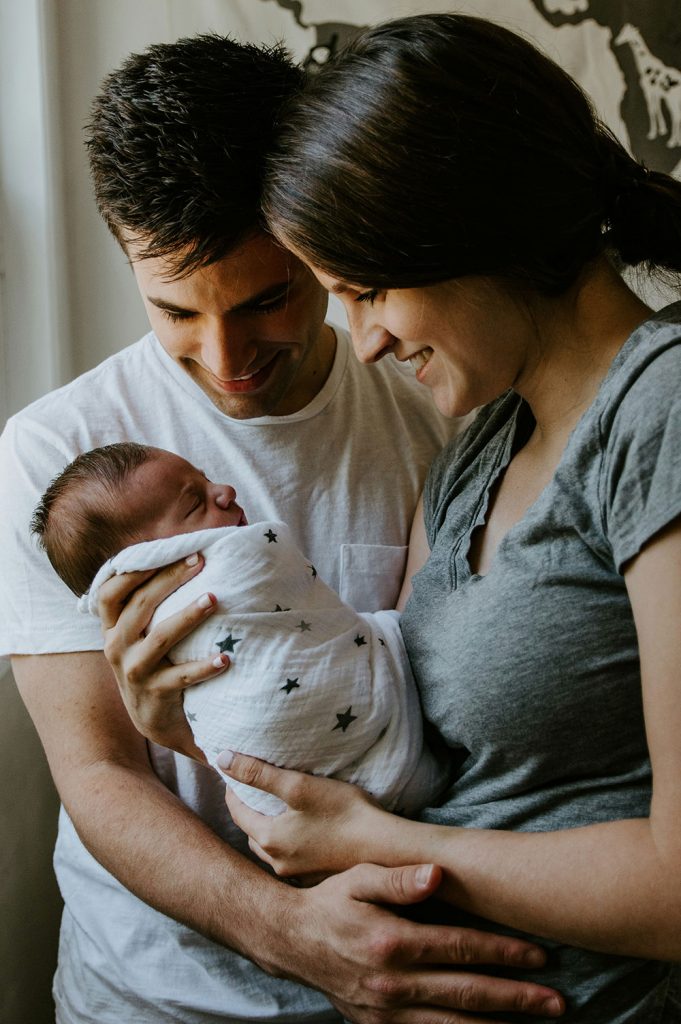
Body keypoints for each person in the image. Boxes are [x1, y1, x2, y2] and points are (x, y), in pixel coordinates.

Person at [0, 31, 567, 1024]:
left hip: (399, 971)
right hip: (147, 996)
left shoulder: (440, 406)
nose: (226, 359)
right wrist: (294, 935)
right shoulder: (58, 460)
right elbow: (95, 772)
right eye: (177, 310)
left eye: (268, 299)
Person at [201, 12, 681, 1023]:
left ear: (471, 226)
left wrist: (386, 849)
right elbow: (418, 749)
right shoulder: (477, 444)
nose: (365, 344)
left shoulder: (661, 412)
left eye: (369, 290)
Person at [34, 441, 446, 816]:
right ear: (150, 560)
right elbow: (97, 773)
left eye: (206, 478)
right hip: (264, 838)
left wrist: (177, 734)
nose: (225, 490)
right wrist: (165, 728)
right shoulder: (41, 442)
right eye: (195, 502)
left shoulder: (422, 428)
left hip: (300, 811)